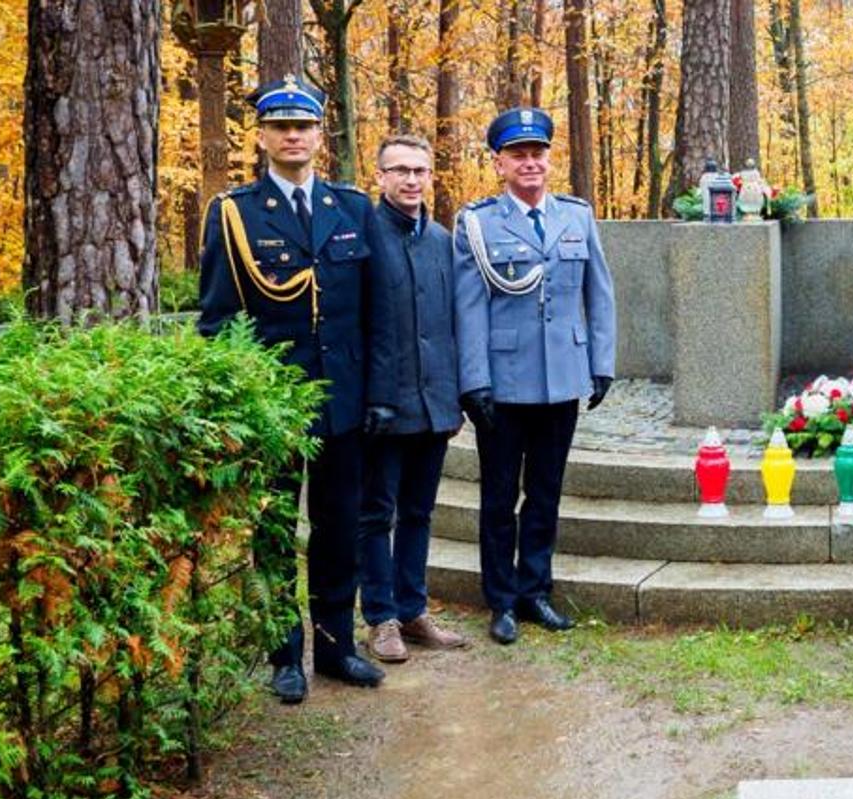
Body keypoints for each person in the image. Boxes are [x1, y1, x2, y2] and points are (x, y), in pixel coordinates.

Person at [196, 75, 384, 703]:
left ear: (318, 133)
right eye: (281, 127)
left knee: (338, 530)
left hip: (344, 402)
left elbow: (376, 314)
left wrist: (376, 394)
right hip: (275, 406)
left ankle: (336, 648)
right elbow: (220, 322)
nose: (293, 136)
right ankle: (285, 656)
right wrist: (239, 406)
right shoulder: (236, 214)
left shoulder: (353, 209)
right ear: (263, 136)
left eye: (302, 126)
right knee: (274, 529)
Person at [453, 107, 617, 645]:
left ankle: (534, 592)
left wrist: (600, 364)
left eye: (537, 152)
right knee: (500, 497)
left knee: (545, 493)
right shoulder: (477, 224)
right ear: (499, 163)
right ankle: (500, 601)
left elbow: (600, 293)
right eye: (517, 154)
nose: (530, 163)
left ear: (549, 157)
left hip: (562, 380)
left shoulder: (576, 216)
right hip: (503, 383)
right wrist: (474, 382)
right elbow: (469, 308)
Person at [357, 134, 468, 662]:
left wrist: (457, 398)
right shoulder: (363, 235)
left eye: (420, 171)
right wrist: (371, 397)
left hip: (434, 403)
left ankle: (413, 608)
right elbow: (358, 326)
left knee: (420, 511)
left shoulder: (443, 240)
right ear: (378, 176)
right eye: (399, 170)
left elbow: (453, 324)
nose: (410, 180)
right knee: (377, 512)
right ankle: (380, 618)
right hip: (384, 406)